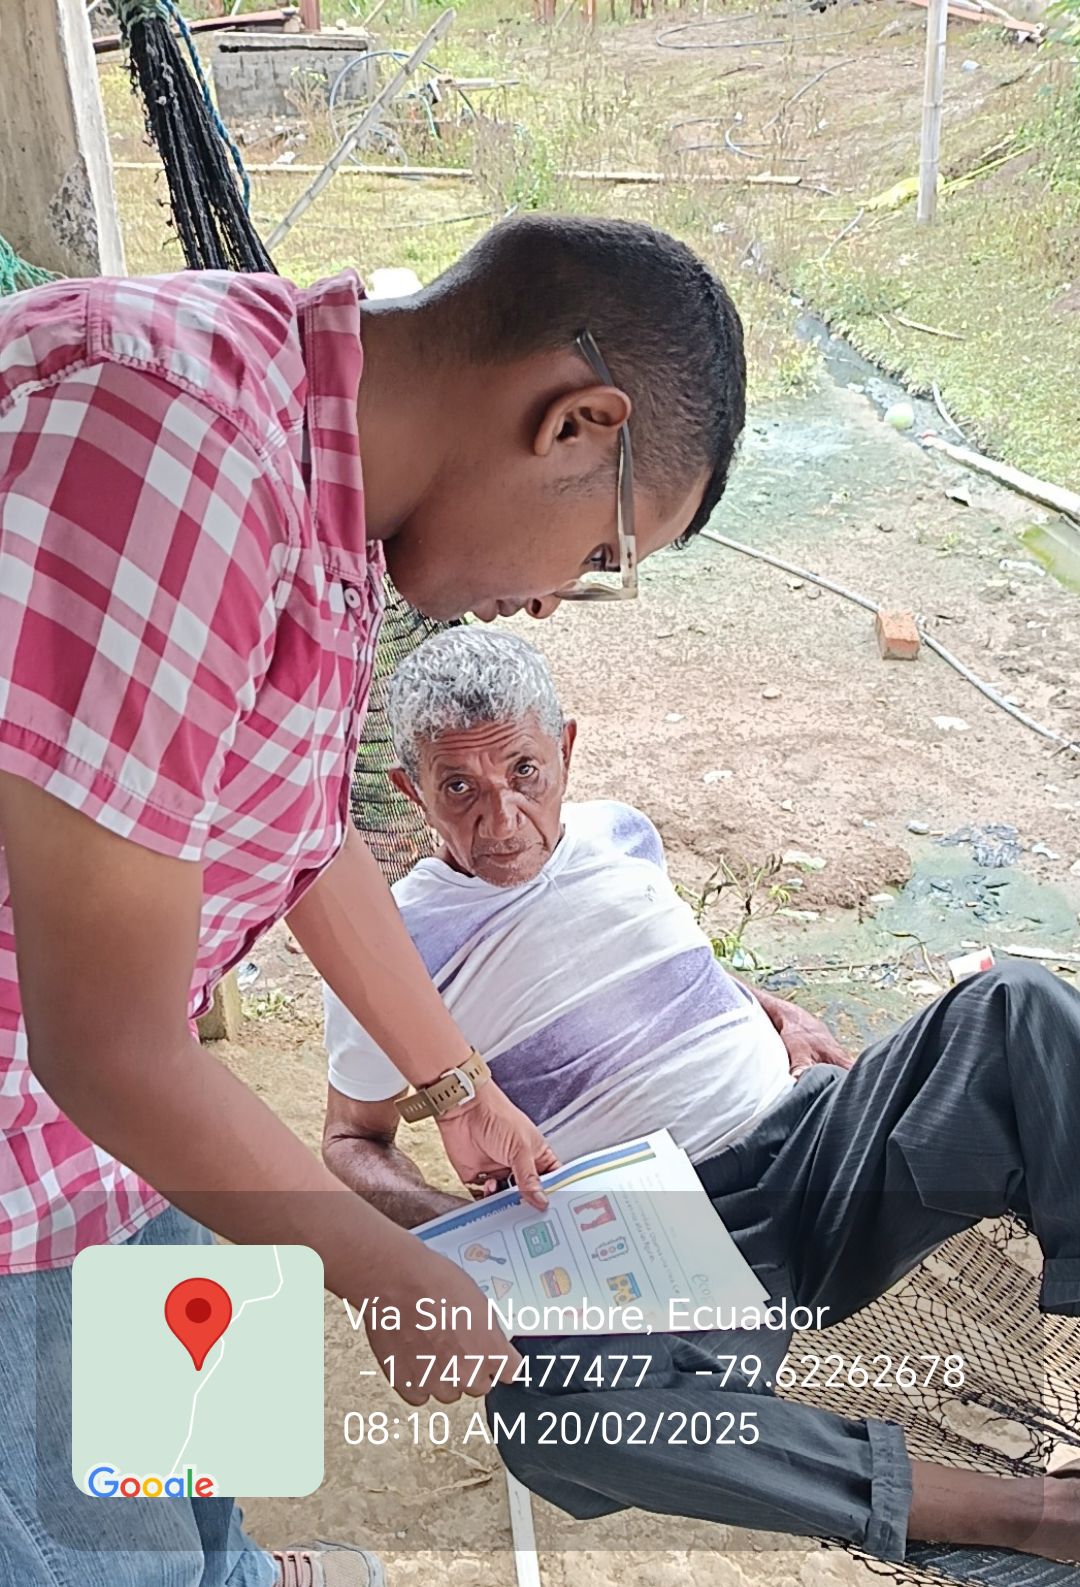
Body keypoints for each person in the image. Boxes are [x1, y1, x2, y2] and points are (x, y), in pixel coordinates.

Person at [0, 215, 746, 1587]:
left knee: (196, 1439)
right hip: (26, 1147)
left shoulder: (328, 477)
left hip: (102, 1132)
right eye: (601, 555)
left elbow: (299, 827)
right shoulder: (177, 445)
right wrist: (387, 1271)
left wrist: (457, 1083)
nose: (554, 603)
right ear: (576, 423)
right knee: (97, 1546)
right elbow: (104, 1045)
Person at [323, 627, 1080, 1571]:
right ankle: (1022, 1512)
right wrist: (466, 1238)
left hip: (820, 1148)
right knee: (549, 1418)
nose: (502, 817)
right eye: (460, 788)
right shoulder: (390, 942)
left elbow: (647, 960)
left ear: (566, 747)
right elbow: (350, 1141)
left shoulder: (619, 831)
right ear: (412, 793)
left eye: (523, 771)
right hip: (655, 1254)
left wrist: (768, 1006)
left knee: (1016, 1008)